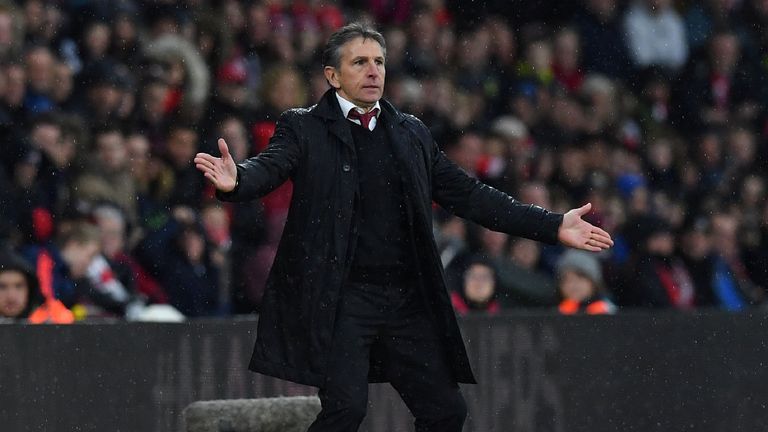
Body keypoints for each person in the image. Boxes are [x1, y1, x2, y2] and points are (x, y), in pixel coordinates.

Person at [194, 23, 613, 432]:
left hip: (405, 299)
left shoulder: (411, 132)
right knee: (345, 411)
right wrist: (238, 181)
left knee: (446, 412)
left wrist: (552, 224)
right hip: (341, 299)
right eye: (359, 62)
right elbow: (270, 167)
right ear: (332, 76)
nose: (373, 70)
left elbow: (471, 195)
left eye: (379, 61)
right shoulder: (303, 126)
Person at [555, 249, 617, 315]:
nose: (573, 285)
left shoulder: (608, 311)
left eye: (580, 278)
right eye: (567, 280)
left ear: (593, 283)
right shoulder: (555, 313)